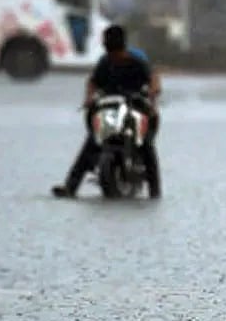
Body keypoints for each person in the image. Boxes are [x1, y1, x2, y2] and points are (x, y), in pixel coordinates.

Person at [51, 25, 162, 199]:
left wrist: (152, 93)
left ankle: (155, 191)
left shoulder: (137, 62)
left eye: (116, 54)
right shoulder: (105, 62)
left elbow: (153, 79)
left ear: (123, 47)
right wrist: (89, 98)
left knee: (146, 145)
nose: (114, 58)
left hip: (135, 107)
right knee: (91, 142)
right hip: (110, 109)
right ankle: (70, 187)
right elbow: (92, 81)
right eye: (111, 54)